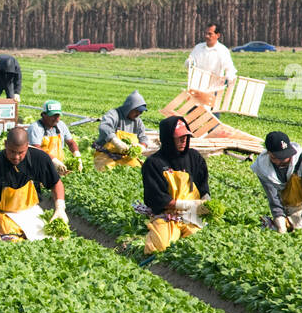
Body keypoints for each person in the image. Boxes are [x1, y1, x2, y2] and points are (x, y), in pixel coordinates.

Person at [0, 127, 66, 241]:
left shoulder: (39, 159)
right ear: (5, 144)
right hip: (5, 215)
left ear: (27, 145)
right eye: (12, 151)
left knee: (53, 238)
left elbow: (56, 183)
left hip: (31, 212)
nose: (16, 157)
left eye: (21, 152)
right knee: (12, 239)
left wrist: (60, 208)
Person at [140, 115, 210, 256]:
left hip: (193, 214)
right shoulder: (154, 163)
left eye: (186, 136)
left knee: (199, 244)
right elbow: (157, 199)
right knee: (160, 247)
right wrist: (187, 205)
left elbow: (203, 185)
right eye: (179, 137)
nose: (184, 140)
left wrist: (206, 202)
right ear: (167, 138)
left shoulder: (194, 158)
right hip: (167, 215)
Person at [251, 131, 302, 232]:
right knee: (286, 225)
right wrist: (279, 219)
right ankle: (283, 223)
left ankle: (285, 223)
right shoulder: (262, 167)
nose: (284, 160)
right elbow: (274, 199)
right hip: (288, 206)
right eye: (278, 158)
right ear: (269, 153)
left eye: (286, 156)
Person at [94, 90, 150, 170]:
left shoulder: (138, 121)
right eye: (137, 111)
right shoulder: (114, 114)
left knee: (137, 171)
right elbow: (104, 127)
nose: (139, 114)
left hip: (127, 157)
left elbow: (143, 138)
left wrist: (141, 147)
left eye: (141, 112)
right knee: (104, 169)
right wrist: (115, 141)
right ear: (129, 107)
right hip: (106, 154)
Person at [25, 100, 81, 174]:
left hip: (60, 167)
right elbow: (36, 149)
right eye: (53, 116)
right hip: (40, 167)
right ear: (44, 115)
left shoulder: (61, 125)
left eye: (58, 115)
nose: (56, 119)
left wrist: (77, 156)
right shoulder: (35, 128)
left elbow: (71, 143)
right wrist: (54, 160)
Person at [187, 23, 236, 92]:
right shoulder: (198, 48)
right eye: (206, 33)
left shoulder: (223, 50)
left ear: (217, 35)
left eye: (210, 34)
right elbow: (189, 62)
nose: (207, 36)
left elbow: (230, 69)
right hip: (196, 87)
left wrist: (228, 78)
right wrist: (189, 62)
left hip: (213, 88)